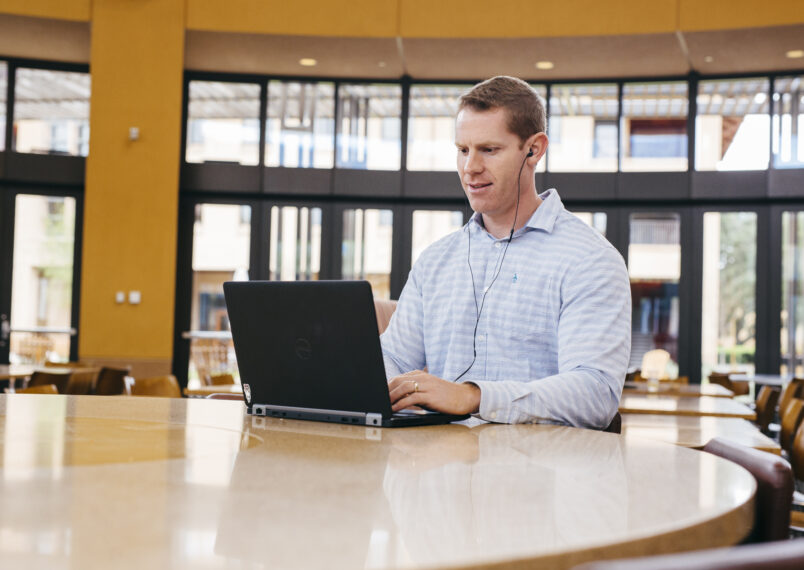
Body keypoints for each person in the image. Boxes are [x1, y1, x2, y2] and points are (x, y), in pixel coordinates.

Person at [381, 76, 631, 428]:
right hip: (436, 468)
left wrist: (474, 396)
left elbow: (595, 392)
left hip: (536, 474)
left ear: (534, 149)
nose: (470, 167)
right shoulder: (435, 260)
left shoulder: (590, 260)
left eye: (489, 149)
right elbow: (391, 355)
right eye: (463, 150)